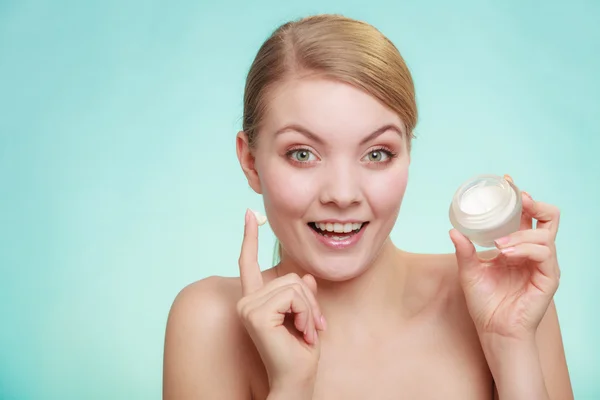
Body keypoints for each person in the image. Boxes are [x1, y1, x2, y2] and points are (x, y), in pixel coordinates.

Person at [162, 14, 573, 400]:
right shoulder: (210, 322)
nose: (342, 194)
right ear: (250, 162)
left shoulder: (506, 294)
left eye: (376, 154)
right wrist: (290, 385)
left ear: (407, 155)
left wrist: (511, 347)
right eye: (302, 154)